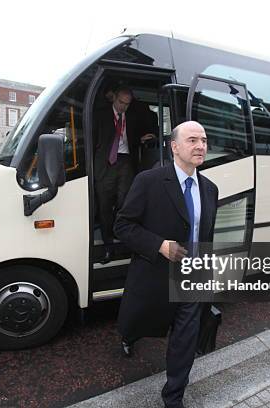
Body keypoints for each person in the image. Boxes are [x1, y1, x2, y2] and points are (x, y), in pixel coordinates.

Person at [114, 121, 218, 408]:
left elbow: (205, 236)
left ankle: (174, 397)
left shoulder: (210, 189)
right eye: (192, 140)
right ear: (174, 146)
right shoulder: (149, 181)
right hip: (156, 275)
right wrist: (159, 245)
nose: (200, 146)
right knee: (138, 322)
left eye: (204, 140)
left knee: (184, 340)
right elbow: (122, 226)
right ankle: (129, 337)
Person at [94, 85, 155, 263]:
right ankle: (108, 248)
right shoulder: (101, 115)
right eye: (121, 102)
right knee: (104, 207)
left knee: (125, 202)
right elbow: (94, 141)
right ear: (114, 98)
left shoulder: (133, 116)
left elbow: (134, 135)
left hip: (126, 161)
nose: (123, 107)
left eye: (127, 104)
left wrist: (142, 139)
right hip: (105, 164)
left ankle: (122, 237)